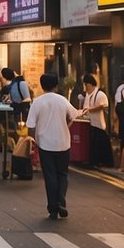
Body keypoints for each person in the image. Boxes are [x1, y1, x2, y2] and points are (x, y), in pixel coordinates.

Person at [26, 73, 83, 219]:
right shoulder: (62, 100)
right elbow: (73, 115)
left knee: (50, 176)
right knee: (62, 174)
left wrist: (32, 140)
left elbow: (30, 125)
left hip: (45, 144)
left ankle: (52, 208)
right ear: (56, 85)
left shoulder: (37, 102)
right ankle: (61, 201)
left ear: (41, 85)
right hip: (63, 142)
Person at [78, 74, 113, 168]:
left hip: (99, 123)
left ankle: (99, 162)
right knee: (94, 144)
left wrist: (90, 109)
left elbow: (103, 106)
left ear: (90, 84)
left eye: (86, 85)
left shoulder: (100, 94)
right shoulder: (88, 95)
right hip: (91, 122)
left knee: (99, 144)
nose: (85, 87)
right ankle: (94, 162)